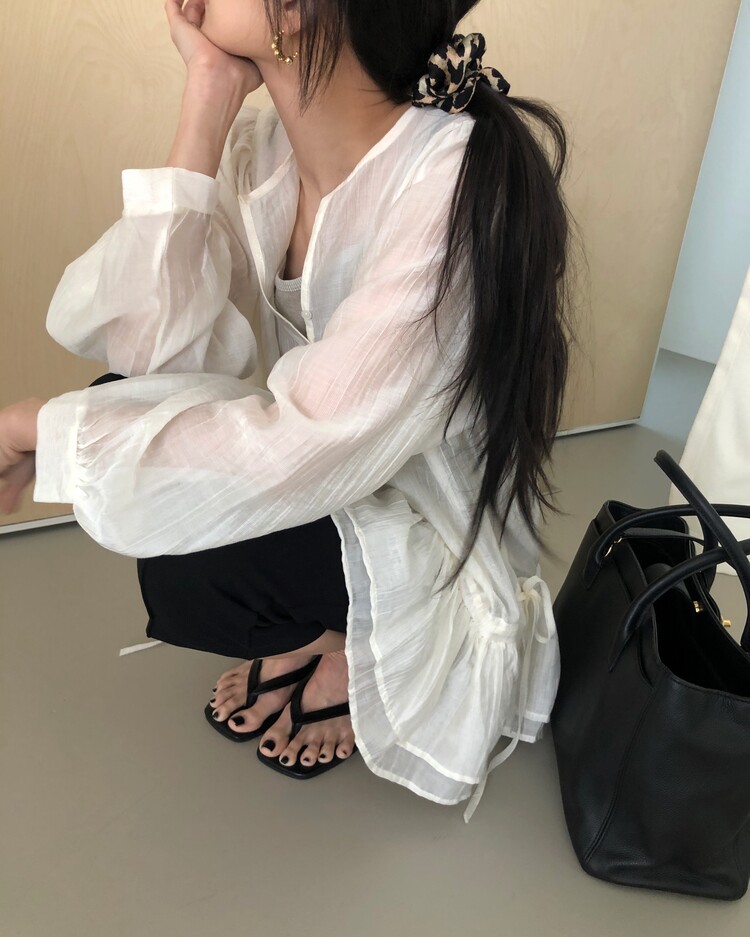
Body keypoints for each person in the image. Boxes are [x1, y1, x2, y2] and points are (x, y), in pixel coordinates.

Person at [0, 0, 576, 820]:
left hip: (430, 529)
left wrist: (37, 428)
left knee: (190, 533)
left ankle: (353, 644)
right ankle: (326, 629)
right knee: (125, 422)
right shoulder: (267, 151)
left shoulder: (451, 191)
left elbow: (302, 447)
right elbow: (151, 357)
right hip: (341, 481)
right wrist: (207, 95)